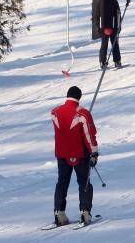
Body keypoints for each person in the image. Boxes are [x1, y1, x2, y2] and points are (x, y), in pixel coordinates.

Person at [51, 86, 98, 227]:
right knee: (84, 183)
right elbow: (90, 134)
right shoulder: (83, 113)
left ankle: (59, 213)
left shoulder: (55, 112)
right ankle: (85, 213)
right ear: (79, 97)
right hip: (80, 154)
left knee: (62, 183)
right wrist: (94, 152)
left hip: (62, 153)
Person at [98, 0, 122, 70]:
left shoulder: (100, 2)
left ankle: (102, 62)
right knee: (115, 44)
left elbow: (96, 17)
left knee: (104, 45)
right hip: (113, 27)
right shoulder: (114, 1)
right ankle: (117, 61)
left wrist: (98, 27)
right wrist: (118, 26)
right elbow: (118, 14)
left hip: (103, 28)